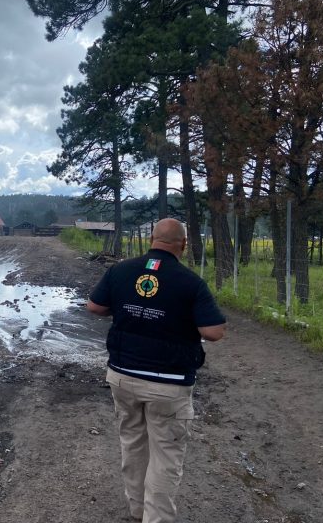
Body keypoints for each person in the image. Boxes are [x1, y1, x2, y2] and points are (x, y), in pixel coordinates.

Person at [87, 218, 226, 523]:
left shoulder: (121, 270)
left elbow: (95, 307)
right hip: (169, 383)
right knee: (165, 456)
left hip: (122, 376)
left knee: (133, 444)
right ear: (184, 245)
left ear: (152, 239)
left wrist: (125, 308)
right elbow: (214, 331)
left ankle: (138, 510)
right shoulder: (190, 282)